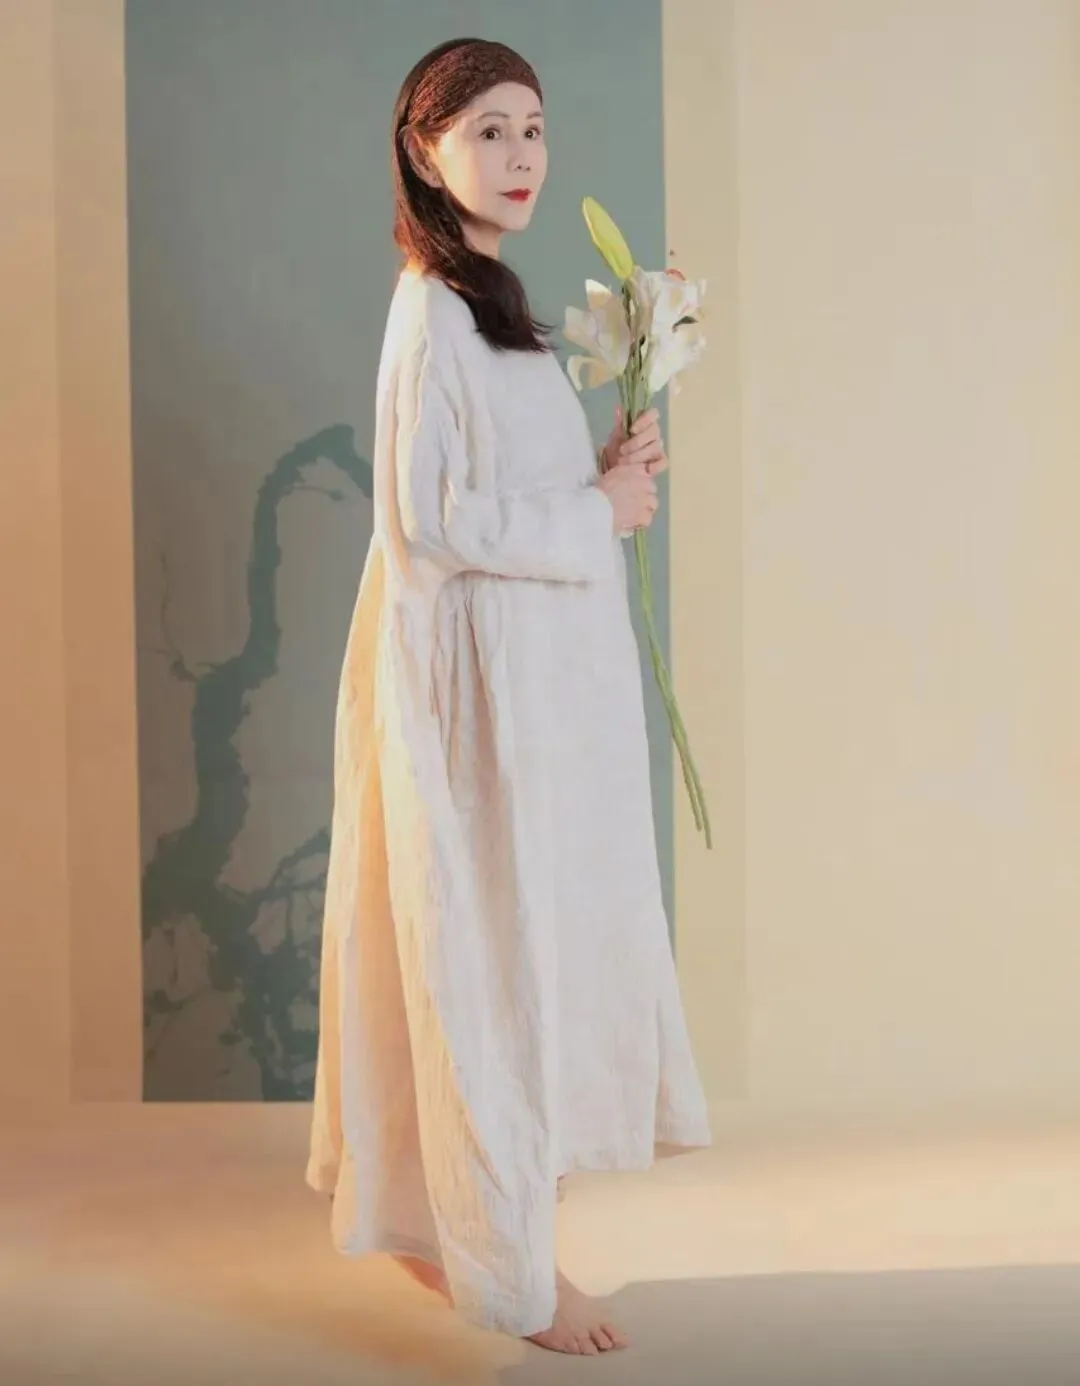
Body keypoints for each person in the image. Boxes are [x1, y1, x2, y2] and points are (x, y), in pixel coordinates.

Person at [306, 36, 712, 1357]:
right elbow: (427, 522)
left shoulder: (490, 304)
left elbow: (498, 492)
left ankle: (470, 1229)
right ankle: (507, 1266)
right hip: (478, 706)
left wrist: (602, 475)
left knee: (518, 952)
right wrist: (597, 511)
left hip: (532, 698)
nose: (520, 154)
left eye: (532, 127)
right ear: (425, 154)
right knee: (489, 958)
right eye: (486, 130)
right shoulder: (430, 311)